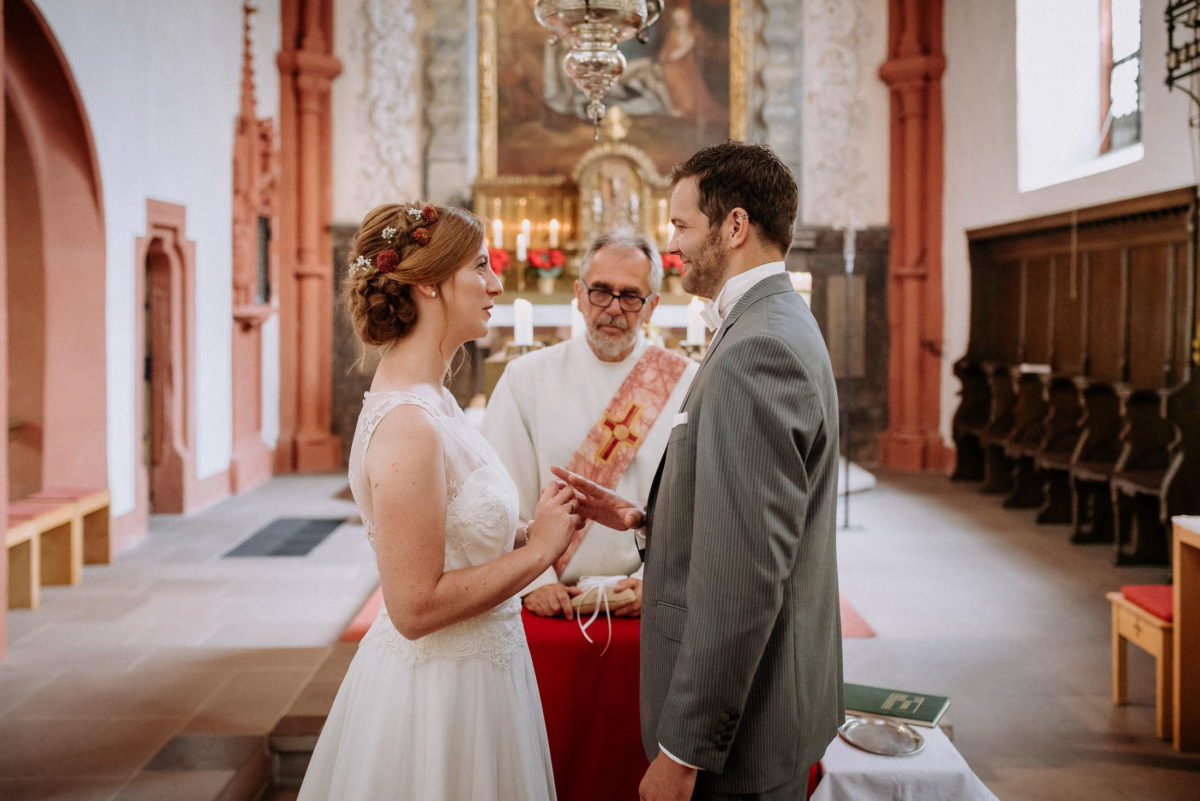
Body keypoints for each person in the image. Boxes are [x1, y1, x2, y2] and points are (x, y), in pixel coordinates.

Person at [555, 142, 843, 801]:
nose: (673, 241)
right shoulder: (772, 321)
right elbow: (754, 517)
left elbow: (746, 573)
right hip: (761, 705)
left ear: (734, 226)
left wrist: (683, 750)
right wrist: (649, 519)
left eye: (682, 224)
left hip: (736, 735)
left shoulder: (757, 347)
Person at [297, 202, 582, 801]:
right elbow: (414, 606)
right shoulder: (408, 423)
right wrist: (541, 555)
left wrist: (534, 531)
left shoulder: (436, 400)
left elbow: (453, 535)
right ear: (428, 282)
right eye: (481, 266)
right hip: (437, 696)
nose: (496, 283)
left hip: (483, 676)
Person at [482, 231, 697, 619]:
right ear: (579, 296)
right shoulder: (525, 378)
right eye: (600, 291)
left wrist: (657, 579)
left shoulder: (688, 382)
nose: (613, 308)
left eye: (631, 296)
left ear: (651, 307)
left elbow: (699, 500)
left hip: (646, 599)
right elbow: (497, 497)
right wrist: (535, 580)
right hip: (549, 597)